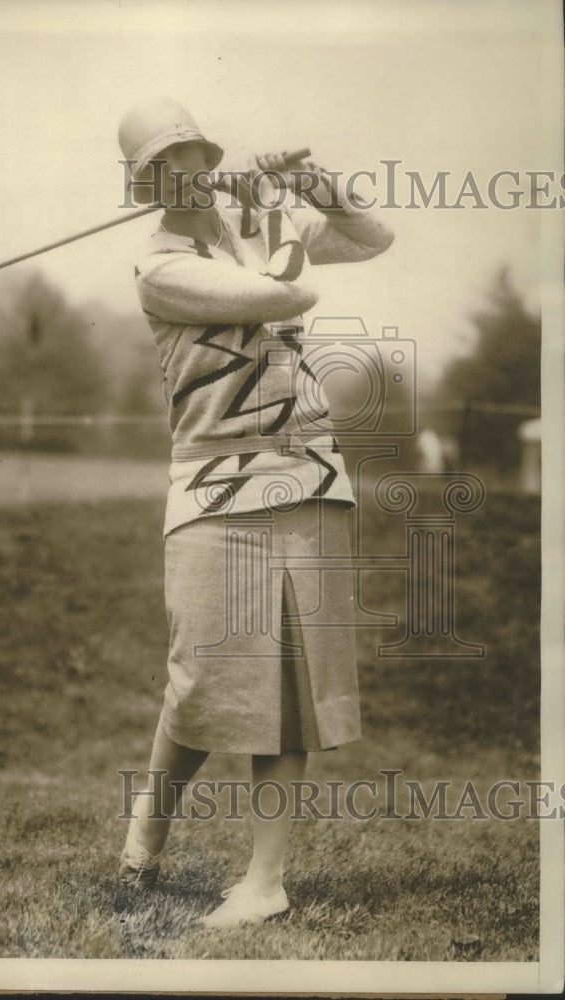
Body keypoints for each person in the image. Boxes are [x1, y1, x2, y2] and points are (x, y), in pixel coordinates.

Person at [116, 96, 394, 928]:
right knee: (200, 682)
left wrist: (315, 184)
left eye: (198, 153)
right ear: (149, 183)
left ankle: (265, 882)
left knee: (287, 679)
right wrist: (276, 213)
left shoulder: (249, 223)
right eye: (171, 163)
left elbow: (371, 239)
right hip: (211, 486)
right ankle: (146, 838)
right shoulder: (162, 269)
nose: (193, 171)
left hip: (307, 473)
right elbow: (280, 298)